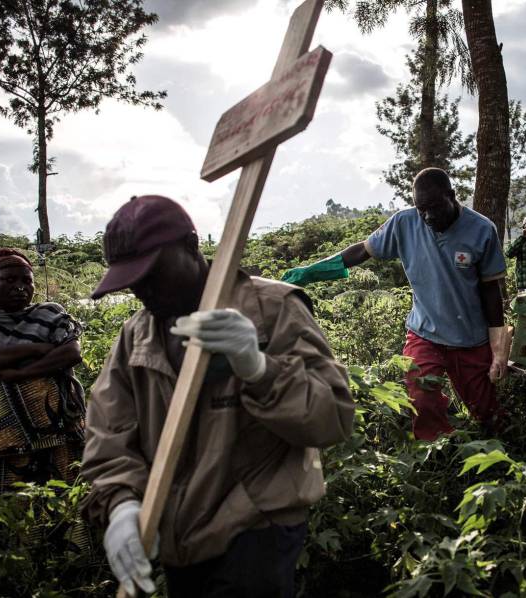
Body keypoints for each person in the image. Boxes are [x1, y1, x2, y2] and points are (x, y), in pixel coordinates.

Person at [80, 195, 354, 598]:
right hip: (179, 534)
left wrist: (259, 369)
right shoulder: (136, 335)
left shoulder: (272, 308)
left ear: (192, 246)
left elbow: (331, 418)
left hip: (257, 525)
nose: (142, 290)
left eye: (152, 272)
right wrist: (120, 502)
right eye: (131, 280)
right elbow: (108, 432)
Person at [282, 168, 509, 440]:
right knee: (421, 399)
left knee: (486, 412)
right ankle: (437, 450)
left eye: (435, 208)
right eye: (421, 209)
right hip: (425, 333)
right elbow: (362, 250)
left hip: (470, 339)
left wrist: (497, 348)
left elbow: (490, 291)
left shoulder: (482, 229)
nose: (428, 217)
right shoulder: (404, 223)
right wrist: (314, 270)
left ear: (452, 196)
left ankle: (498, 451)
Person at [0, 248, 85, 497]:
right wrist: (39, 348)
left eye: (26, 280)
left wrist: (21, 374)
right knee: (4, 494)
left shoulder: (49, 313)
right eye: (9, 280)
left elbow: (72, 353)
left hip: (54, 429)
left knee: (58, 489)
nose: (20, 287)